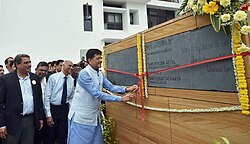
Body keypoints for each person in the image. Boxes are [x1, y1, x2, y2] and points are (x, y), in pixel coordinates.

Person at [67, 49, 138, 144]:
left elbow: (110, 86)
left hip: (94, 117)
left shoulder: (100, 74)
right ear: (89, 60)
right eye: (97, 58)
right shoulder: (84, 74)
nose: (100, 60)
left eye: (101, 58)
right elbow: (96, 93)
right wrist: (121, 98)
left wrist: (126, 89)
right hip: (81, 118)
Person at [0, 54, 44, 144]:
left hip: (30, 120)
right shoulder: (6, 80)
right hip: (12, 121)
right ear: (17, 65)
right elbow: (1, 102)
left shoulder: (34, 78)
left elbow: (38, 100)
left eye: (30, 62)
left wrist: (40, 118)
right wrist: (2, 124)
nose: (29, 65)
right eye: (26, 63)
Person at [44, 60, 74, 144]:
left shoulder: (71, 80)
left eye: (72, 66)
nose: (71, 68)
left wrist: (71, 112)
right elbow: (47, 96)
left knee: (63, 135)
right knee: (51, 135)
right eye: (69, 66)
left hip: (64, 110)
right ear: (63, 66)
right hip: (54, 109)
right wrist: (48, 115)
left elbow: (71, 97)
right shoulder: (53, 77)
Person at [35, 61, 49, 144]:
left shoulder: (48, 79)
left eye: (45, 71)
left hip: (45, 110)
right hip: (35, 112)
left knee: (45, 135)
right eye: (41, 70)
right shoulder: (30, 79)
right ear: (36, 69)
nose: (43, 72)